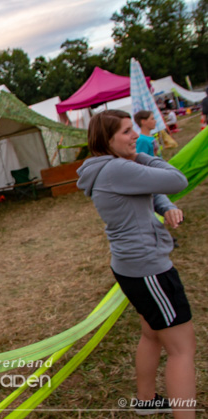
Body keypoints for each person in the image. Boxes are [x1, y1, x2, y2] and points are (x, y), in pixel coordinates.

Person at [76, 110, 196, 418]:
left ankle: (146, 400)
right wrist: (142, 155)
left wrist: (166, 207)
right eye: (128, 132)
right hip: (149, 270)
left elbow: (152, 193)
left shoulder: (108, 168)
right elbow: (176, 179)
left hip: (131, 267)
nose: (137, 137)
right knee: (182, 351)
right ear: (107, 140)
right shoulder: (119, 168)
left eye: (134, 130)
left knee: (151, 332)